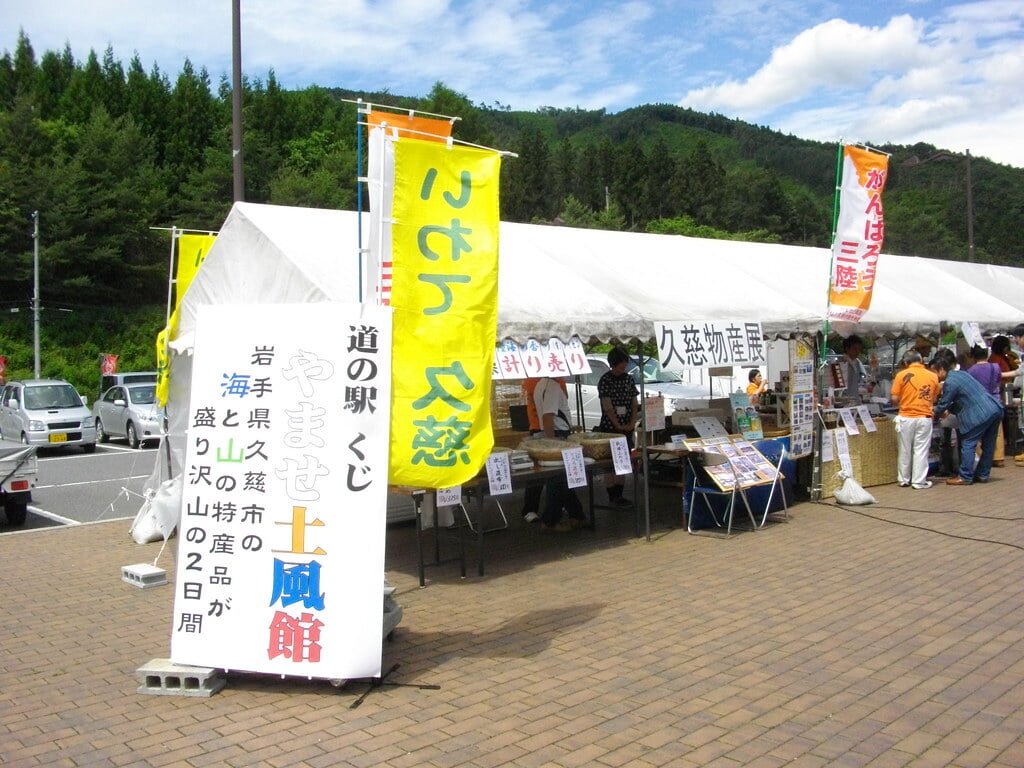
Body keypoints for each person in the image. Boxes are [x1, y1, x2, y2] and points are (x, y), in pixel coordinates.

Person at [931, 353, 1003, 485]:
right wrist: (949, 410)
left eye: (934, 372)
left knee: (968, 443)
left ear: (941, 370)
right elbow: (964, 398)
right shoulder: (962, 374)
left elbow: (944, 404)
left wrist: (933, 414)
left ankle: (965, 476)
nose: (933, 375)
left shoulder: (950, 382)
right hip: (994, 408)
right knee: (988, 445)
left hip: (980, 413)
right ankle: (982, 474)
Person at [533, 376, 587, 532]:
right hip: (558, 434)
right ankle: (550, 521)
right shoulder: (552, 387)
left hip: (554, 433)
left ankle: (578, 516)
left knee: (564, 479)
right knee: (559, 480)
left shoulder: (540, 385)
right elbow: (548, 416)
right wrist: (553, 444)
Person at [890, 350, 939, 489]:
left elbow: (894, 399)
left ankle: (903, 479)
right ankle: (918, 481)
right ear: (921, 361)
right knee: (921, 450)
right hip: (924, 417)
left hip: (905, 417)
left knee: (904, 449)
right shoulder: (932, 376)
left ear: (906, 363)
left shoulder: (901, 375)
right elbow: (934, 398)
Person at [598, 347, 638, 508]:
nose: (625, 365)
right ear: (614, 363)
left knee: (622, 461)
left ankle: (619, 495)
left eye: (625, 362)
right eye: (622, 362)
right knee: (609, 463)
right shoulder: (605, 380)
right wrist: (618, 425)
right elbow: (607, 407)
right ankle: (611, 494)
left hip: (627, 427)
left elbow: (634, 403)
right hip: (609, 428)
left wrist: (631, 423)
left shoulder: (628, 379)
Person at [966, 345, 1005, 466]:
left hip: (979, 404)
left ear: (973, 356)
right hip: (995, 401)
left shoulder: (971, 371)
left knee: (978, 433)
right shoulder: (995, 367)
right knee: (997, 432)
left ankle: (980, 456)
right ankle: (998, 458)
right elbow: (998, 381)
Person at [838, 335, 870, 400]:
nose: (857, 352)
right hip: (843, 399)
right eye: (855, 349)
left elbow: (859, 380)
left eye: (859, 349)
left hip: (855, 398)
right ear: (847, 349)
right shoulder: (840, 363)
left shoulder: (857, 363)